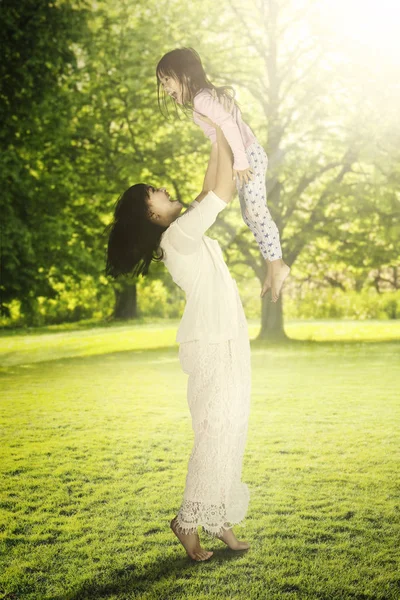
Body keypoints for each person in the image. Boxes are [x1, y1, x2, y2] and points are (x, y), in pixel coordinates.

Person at [106, 119, 251, 562]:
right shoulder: (179, 236)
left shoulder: (182, 229)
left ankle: (217, 516)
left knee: (229, 431)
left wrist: (218, 137)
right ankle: (187, 522)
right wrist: (226, 130)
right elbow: (223, 193)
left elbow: (209, 190)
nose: (163, 189)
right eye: (154, 191)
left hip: (226, 338)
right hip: (210, 345)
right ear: (151, 213)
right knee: (214, 433)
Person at [156, 46, 290, 302]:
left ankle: (277, 264)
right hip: (242, 157)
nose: (166, 88)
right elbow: (217, 141)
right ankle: (272, 265)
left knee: (256, 211)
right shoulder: (199, 105)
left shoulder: (202, 99)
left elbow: (228, 126)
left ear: (184, 75)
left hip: (247, 155)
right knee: (250, 215)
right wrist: (217, 174)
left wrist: (239, 161)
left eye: (167, 80)